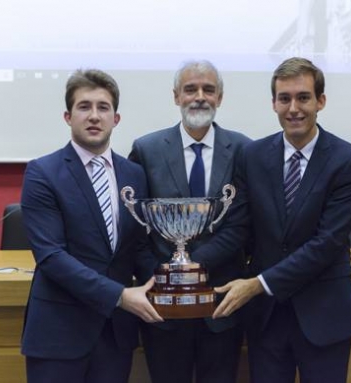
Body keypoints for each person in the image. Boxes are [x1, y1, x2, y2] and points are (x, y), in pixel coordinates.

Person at [193, 57, 351, 383]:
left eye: (303, 97)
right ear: (273, 103)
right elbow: (240, 227)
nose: (294, 108)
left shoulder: (347, 160)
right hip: (267, 317)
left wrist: (258, 284)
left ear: (321, 101)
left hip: (324, 313)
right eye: (284, 98)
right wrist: (189, 263)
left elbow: (326, 243)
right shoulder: (252, 156)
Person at [20, 69, 163, 383]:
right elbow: (51, 257)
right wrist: (120, 295)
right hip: (59, 332)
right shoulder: (42, 173)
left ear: (116, 118)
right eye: (84, 107)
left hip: (115, 334)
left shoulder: (134, 175)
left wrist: (171, 281)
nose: (94, 116)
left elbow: (137, 245)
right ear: (68, 117)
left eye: (103, 107)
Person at [128, 60, 251, 383]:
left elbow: (241, 225)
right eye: (190, 89)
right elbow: (138, 227)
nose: (199, 97)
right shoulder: (146, 149)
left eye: (208, 90)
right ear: (176, 96)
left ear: (220, 97)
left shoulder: (243, 150)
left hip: (221, 303)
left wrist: (189, 270)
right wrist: (162, 277)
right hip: (162, 304)